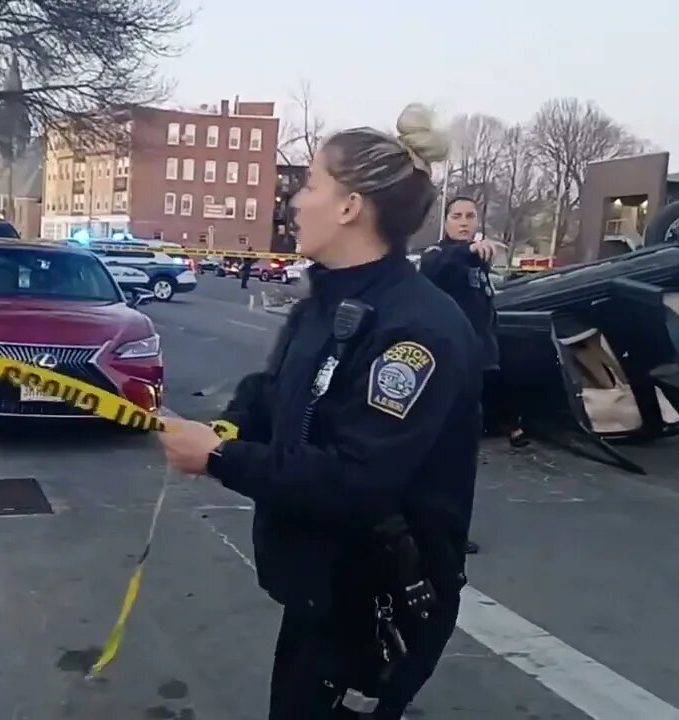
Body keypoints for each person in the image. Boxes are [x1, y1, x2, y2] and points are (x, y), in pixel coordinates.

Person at [158, 104, 482, 719]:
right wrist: (234, 423)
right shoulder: (326, 301)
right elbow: (276, 393)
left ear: (350, 206)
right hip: (323, 589)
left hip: (375, 597)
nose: (294, 202)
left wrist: (220, 456)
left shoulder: (416, 330)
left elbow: (357, 479)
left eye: (309, 185)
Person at [419, 197, 526, 556]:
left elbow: (485, 312)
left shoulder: (477, 263)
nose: (464, 222)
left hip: (476, 368)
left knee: (463, 457)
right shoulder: (442, 256)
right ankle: (429, 527)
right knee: (439, 454)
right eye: (457, 216)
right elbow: (435, 266)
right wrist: (469, 251)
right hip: (447, 369)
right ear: (446, 221)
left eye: (470, 217)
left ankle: (453, 530)